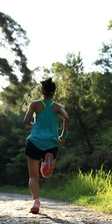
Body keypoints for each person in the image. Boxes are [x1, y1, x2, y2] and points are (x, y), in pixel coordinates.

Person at [23, 77, 70, 214]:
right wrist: (63, 136)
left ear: (42, 91)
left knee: (33, 176)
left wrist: (33, 125)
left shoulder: (35, 104)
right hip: (51, 143)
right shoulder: (57, 106)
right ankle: (46, 162)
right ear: (54, 92)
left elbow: (25, 121)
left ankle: (36, 201)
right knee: (46, 174)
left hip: (34, 141)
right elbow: (66, 118)